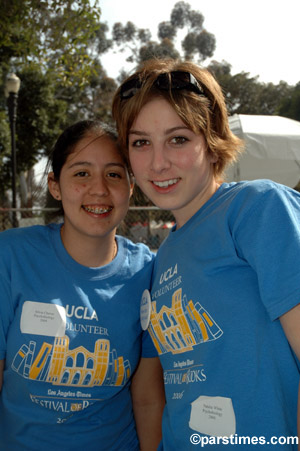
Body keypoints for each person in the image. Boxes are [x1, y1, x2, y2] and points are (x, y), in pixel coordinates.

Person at [112, 59, 300, 450]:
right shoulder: (160, 260)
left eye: (178, 139)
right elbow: (156, 390)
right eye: (140, 142)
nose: (157, 162)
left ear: (211, 140)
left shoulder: (256, 209)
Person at [0, 120, 165, 450]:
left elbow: (147, 398)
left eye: (114, 174)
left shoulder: (148, 271)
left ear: (131, 186)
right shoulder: (12, 256)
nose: (100, 189)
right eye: (81, 173)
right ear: (55, 185)